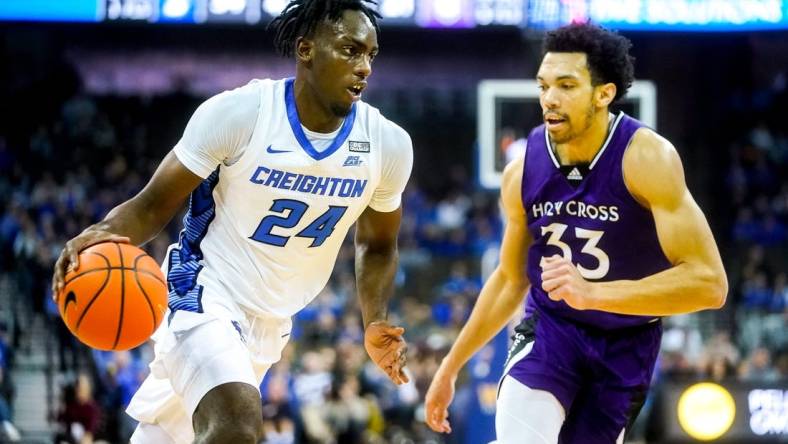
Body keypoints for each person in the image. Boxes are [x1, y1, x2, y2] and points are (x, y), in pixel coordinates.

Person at [51, 1, 413, 442]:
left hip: (271, 322)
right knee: (237, 426)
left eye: (371, 55)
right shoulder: (242, 114)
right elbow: (151, 206)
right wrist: (101, 233)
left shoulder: (387, 145)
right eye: (350, 50)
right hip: (204, 290)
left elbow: (377, 244)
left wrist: (375, 319)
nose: (364, 67)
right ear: (306, 50)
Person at [424, 23, 727, 444]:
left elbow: (710, 284)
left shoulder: (647, 158)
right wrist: (451, 365)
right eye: (544, 85)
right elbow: (511, 279)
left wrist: (595, 294)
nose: (549, 98)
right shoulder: (522, 170)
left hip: (627, 343)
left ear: (604, 93)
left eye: (566, 85)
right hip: (553, 331)